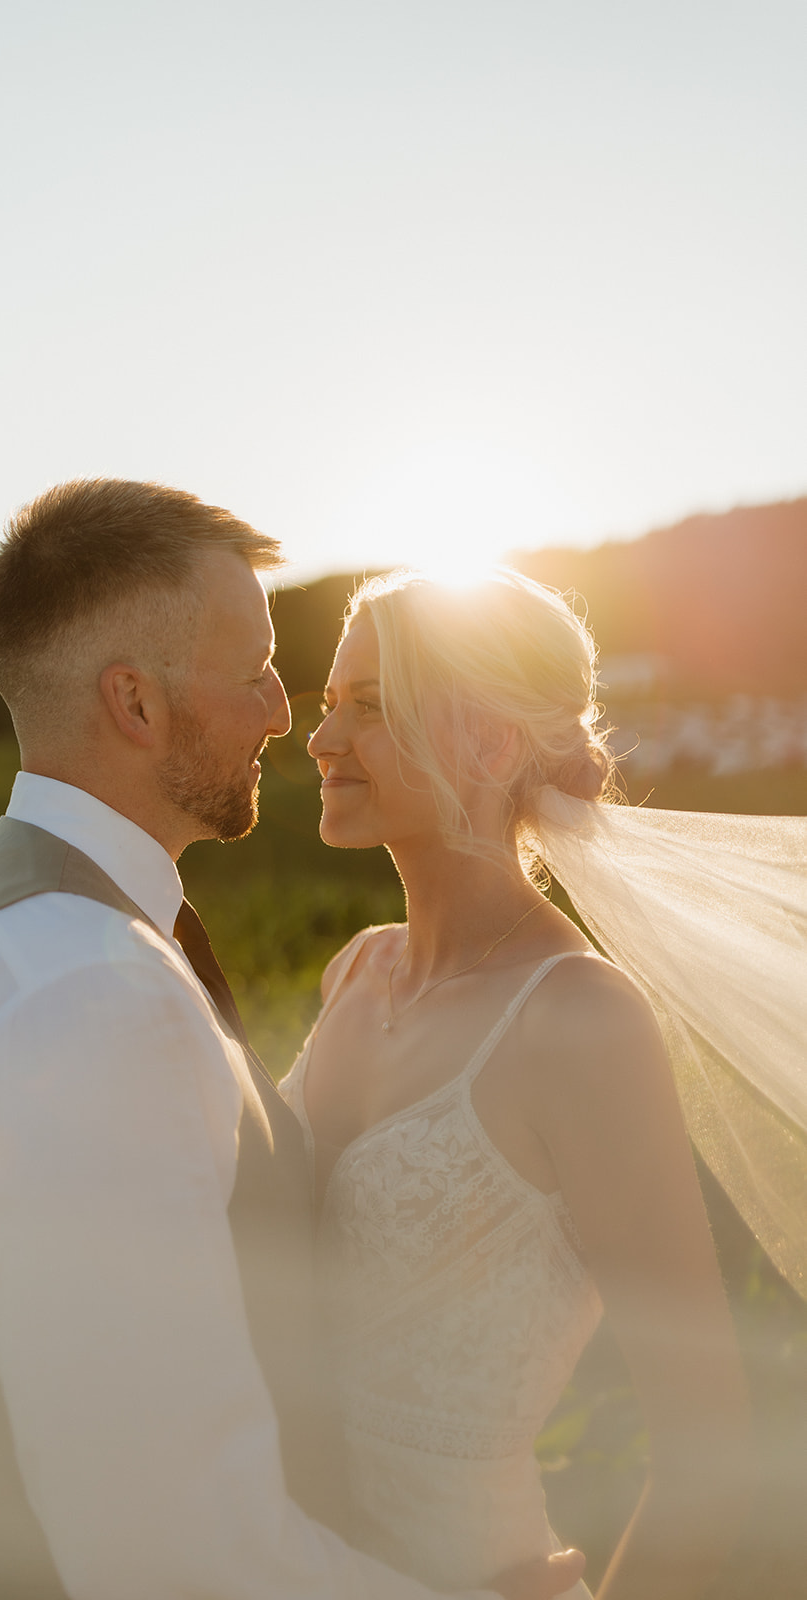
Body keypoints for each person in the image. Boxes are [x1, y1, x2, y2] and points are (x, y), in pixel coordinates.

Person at [0, 480, 588, 1600]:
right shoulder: (89, 995)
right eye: (253, 666)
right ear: (136, 704)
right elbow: (177, 1552)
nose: (280, 709)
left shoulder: (49, 930)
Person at [281, 568, 756, 1600]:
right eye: (328, 706)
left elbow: (706, 1442)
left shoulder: (576, 1022)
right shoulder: (354, 971)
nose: (321, 742)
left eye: (368, 706)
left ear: (489, 744)